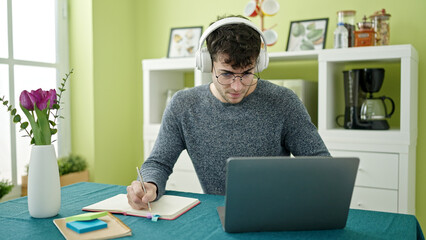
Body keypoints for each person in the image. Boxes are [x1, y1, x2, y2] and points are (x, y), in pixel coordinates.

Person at [127, 15, 330, 210]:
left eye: (247, 73)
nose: (237, 86)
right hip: (216, 214)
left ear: (259, 63)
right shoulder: (183, 105)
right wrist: (149, 184)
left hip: (275, 211)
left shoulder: (283, 102)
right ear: (207, 64)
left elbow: (321, 165)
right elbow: (159, 162)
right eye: (226, 74)